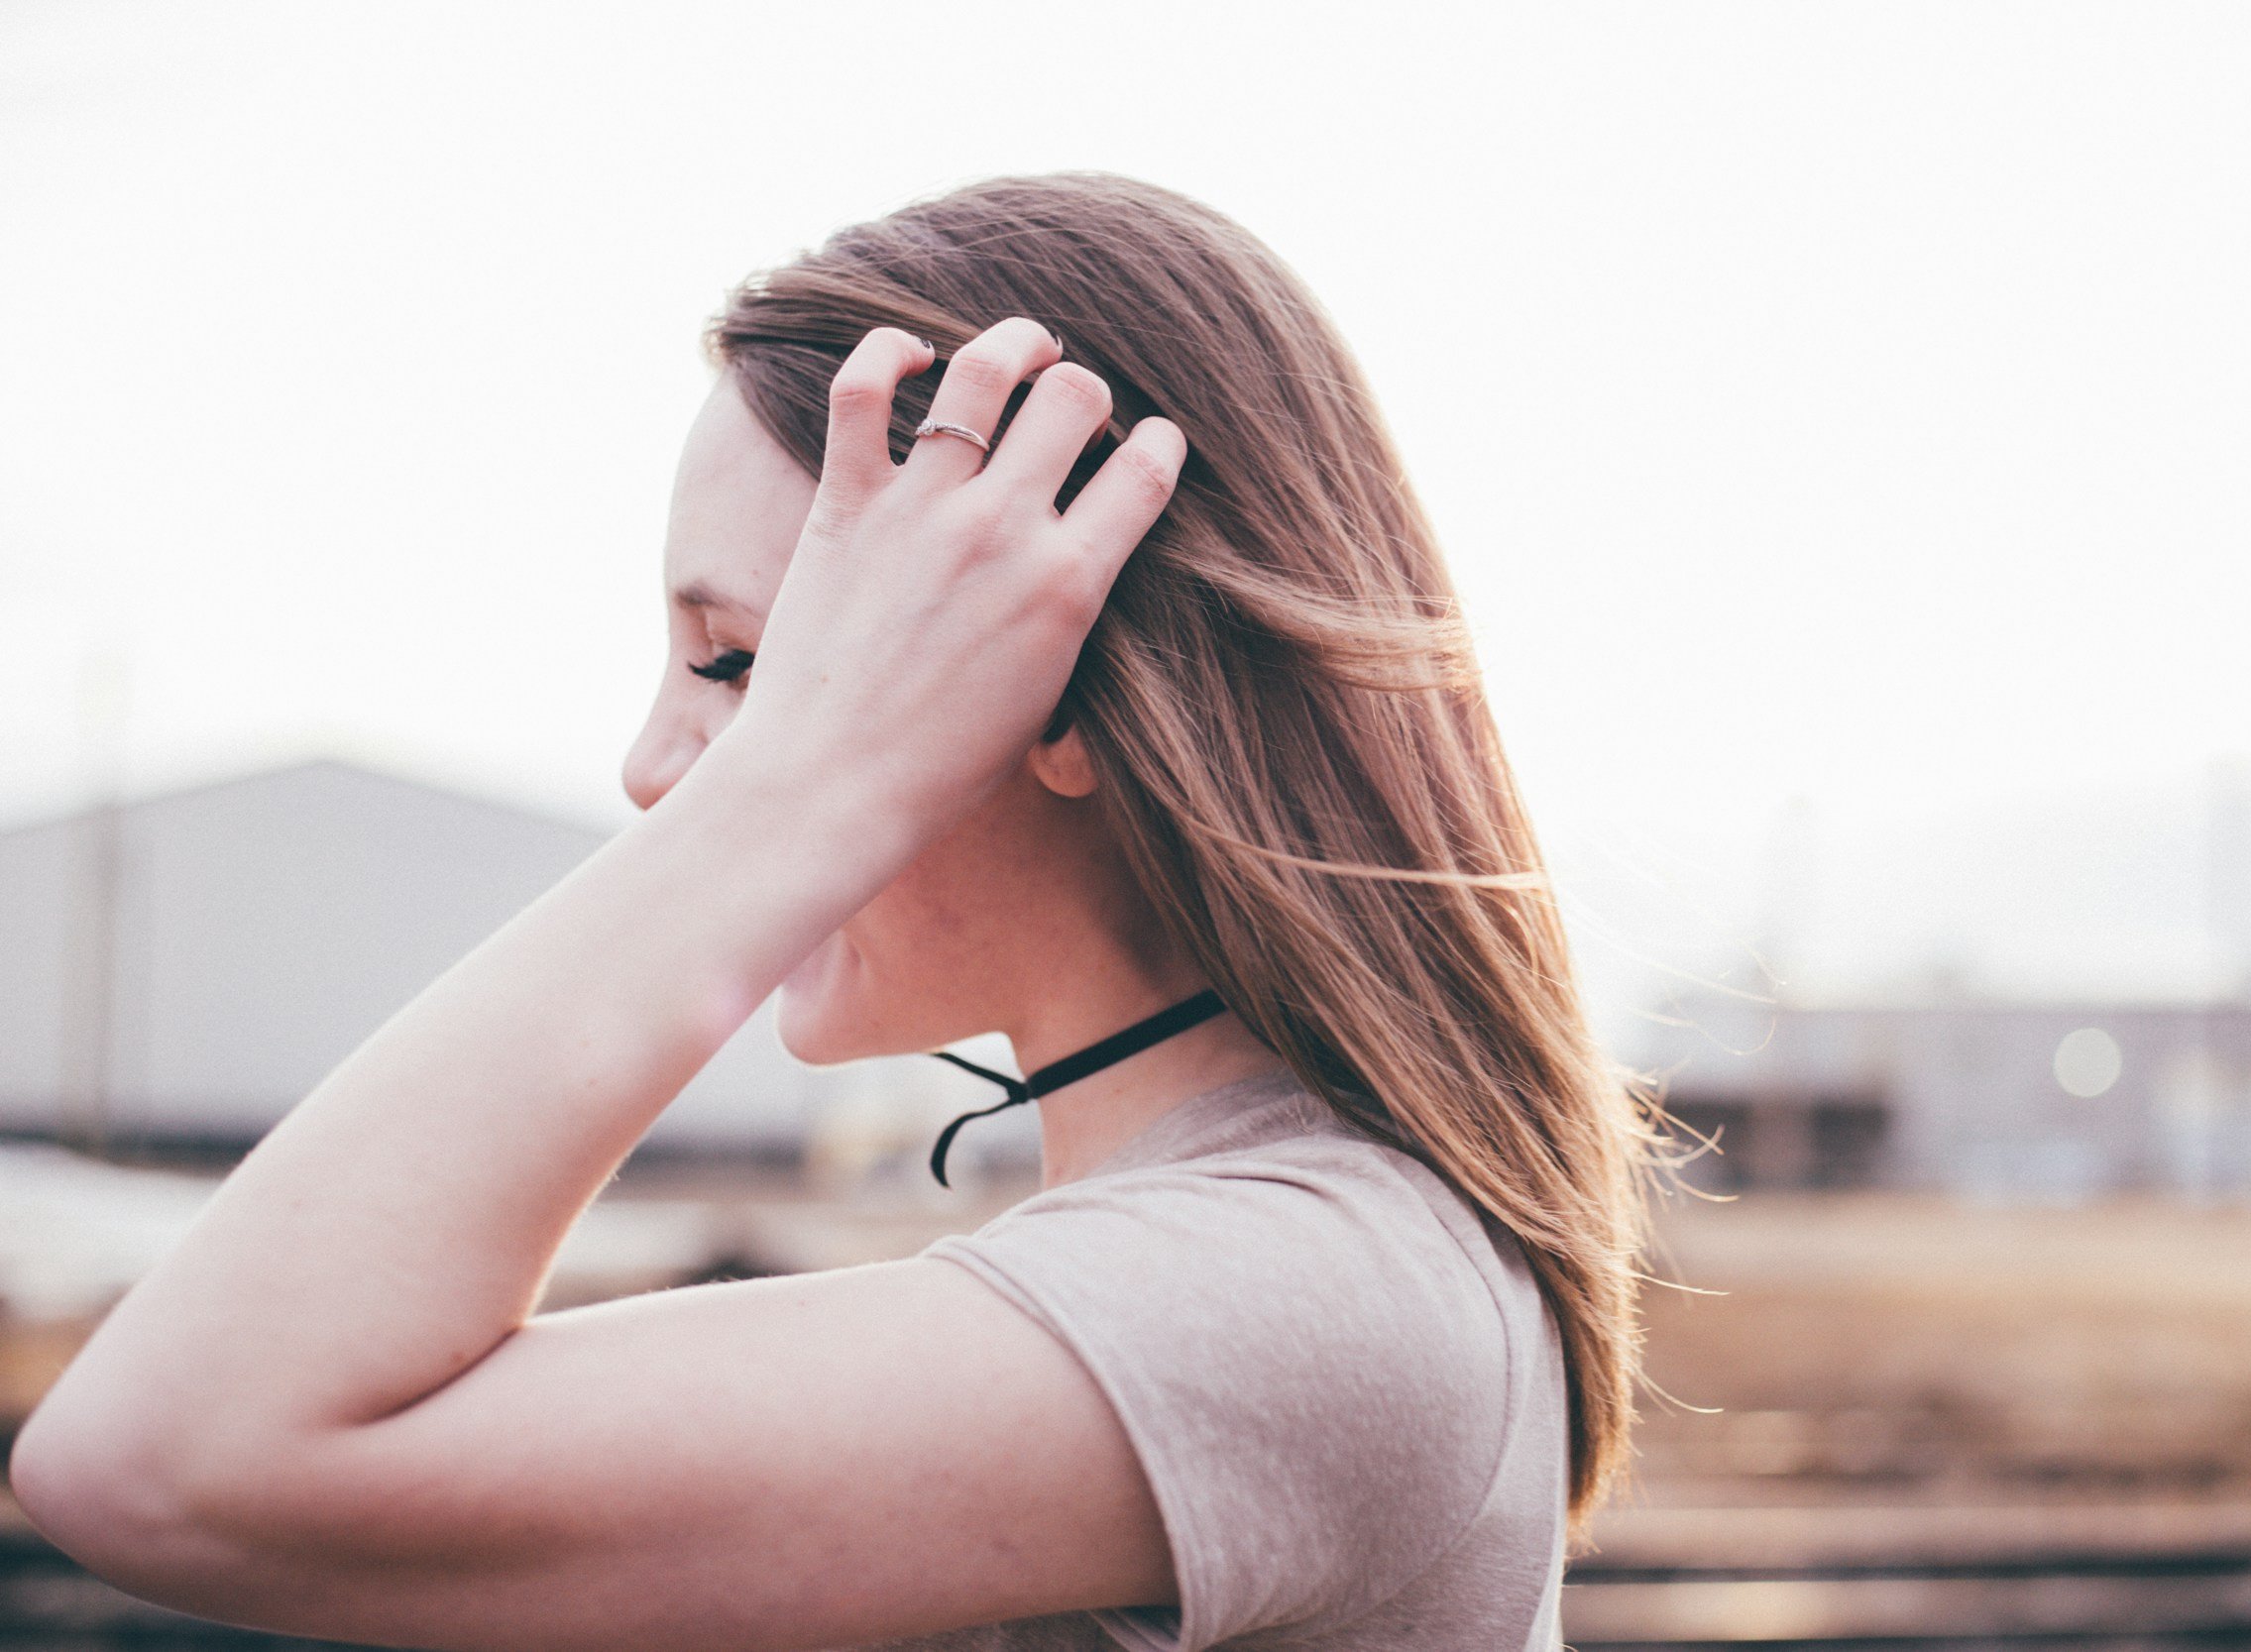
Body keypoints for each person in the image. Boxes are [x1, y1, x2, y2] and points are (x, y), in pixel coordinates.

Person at [10, 171, 1671, 1651]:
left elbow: (165, 1460)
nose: (665, 767)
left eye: (749, 663)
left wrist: (801, 785)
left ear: (1077, 689)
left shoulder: (1303, 1291)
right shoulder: (1262, 1249)